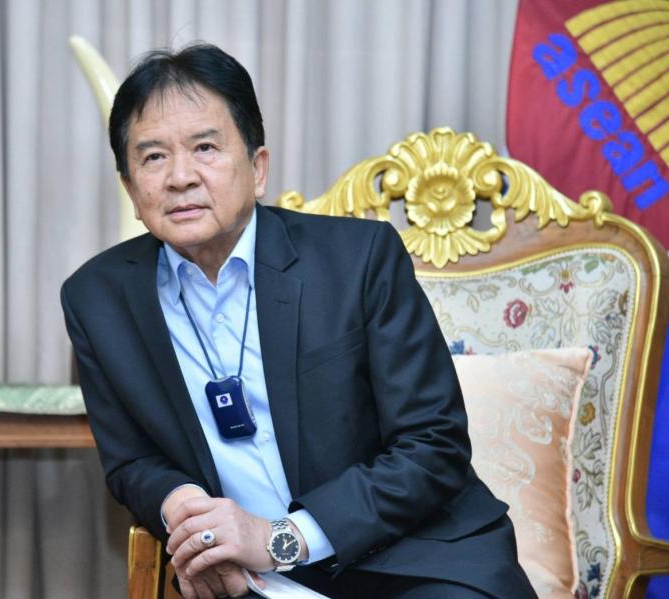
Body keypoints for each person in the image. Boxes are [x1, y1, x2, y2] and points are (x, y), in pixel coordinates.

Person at [60, 43, 535, 599]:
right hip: (246, 581)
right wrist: (190, 517)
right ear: (130, 189)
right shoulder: (98, 300)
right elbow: (132, 462)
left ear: (258, 168)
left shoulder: (358, 260)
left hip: (413, 562)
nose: (180, 177)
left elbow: (434, 447)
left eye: (205, 147)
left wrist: (280, 539)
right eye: (153, 157)